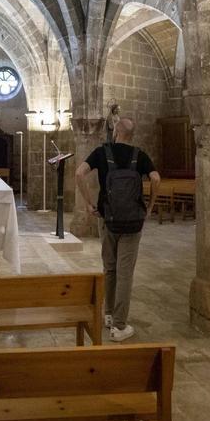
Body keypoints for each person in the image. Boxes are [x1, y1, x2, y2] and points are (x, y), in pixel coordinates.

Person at [74, 117, 160, 342]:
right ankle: (120, 326)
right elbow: (155, 178)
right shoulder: (138, 155)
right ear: (132, 136)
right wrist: (149, 206)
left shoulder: (102, 153)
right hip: (133, 222)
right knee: (125, 273)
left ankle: (110, 315)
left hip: (108, 219)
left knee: (109, 268)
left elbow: (79, 173)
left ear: (116, 133)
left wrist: (88, 203)